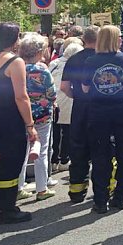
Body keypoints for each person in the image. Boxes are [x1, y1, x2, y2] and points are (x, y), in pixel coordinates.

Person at [0, 23, 37, 224]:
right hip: (11, 118)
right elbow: (22, 97)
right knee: (12, 163)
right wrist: (30, 125)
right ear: (12, 39)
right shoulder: (15, 61)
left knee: (4, 163)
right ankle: (6, 208)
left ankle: (4, 205)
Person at [81, 25, 123, 213]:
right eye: (119, 36)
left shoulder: (90, 61)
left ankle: (100, 200)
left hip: (99, 112)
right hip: (122, 110)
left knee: (99, 156)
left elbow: (85, 88)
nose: (121, 39)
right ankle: (121, 197)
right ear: (113, 39)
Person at [17, 33, 57, 201]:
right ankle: (42, 188)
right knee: (41, 150)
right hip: (41, 115)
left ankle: (19, 187)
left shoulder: (18, 67)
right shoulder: (42, 69)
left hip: (22, 114)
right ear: (39, 51)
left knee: (23, 151)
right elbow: (51, 92)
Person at [61, 26, 98, 203]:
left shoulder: (73, 59)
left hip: (80, 107)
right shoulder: (101, 58)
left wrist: (76, 96)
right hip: (99, 107)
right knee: (100, 149)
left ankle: (77, 191)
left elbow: (64, 87)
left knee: (78, 147)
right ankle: (101, 190)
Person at [49, 39, 81, 173]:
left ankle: (54, 160)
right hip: (68, 100)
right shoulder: (74, 66)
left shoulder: (54, 63)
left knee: (55, 132)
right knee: (67, 132)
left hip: (54, 101)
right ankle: (64, 159)